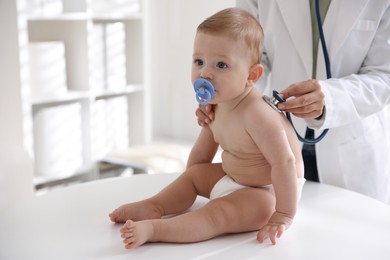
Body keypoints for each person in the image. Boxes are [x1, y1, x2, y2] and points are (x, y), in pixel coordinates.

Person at [109, 7, 305, 248]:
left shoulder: (258, 114)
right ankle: (155, 205)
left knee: (217, 213)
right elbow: (201, 158)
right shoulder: (217, 104)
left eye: (221, 65)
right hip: (234, 176)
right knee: (193, 175)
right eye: (199, 61)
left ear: (252, 75)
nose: (205, 73)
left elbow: (284, 163)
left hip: (269, 192)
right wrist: (190, 185)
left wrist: (284, 214)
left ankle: (155, 229)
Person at [197, 0, 390, 204]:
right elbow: (246, 55)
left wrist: (332, 99)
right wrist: (227, 96)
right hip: (271, 143)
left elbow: (384, 74)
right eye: (198, 62)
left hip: (349, 144)